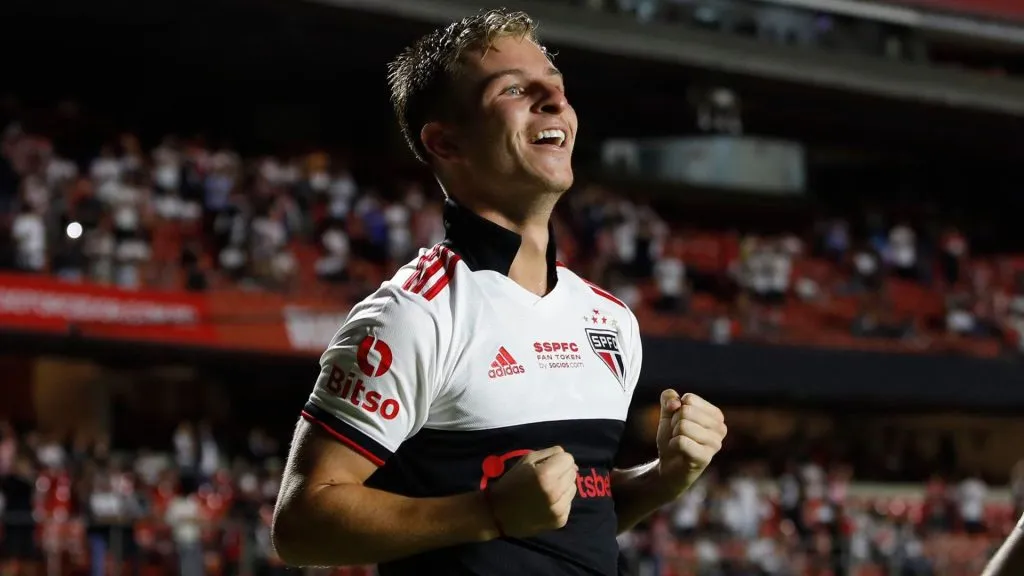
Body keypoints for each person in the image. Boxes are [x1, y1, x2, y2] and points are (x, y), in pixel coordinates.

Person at [271, 8, 728, 575]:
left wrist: (666, 475)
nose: (554, 102)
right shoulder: (414, 315)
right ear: (446, 142)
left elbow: (575, 512)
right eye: (515, 89)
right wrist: (488, 513)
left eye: (557, 89)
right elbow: (300, 524)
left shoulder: (611, 321)